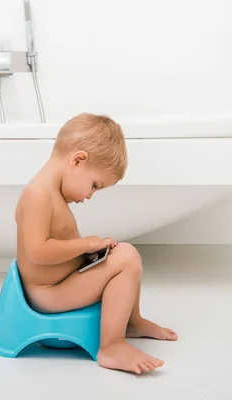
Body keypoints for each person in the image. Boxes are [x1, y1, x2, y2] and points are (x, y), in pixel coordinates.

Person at [15, 113, 177, 374]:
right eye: (94, 185)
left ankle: (131, 323)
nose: (90, 195)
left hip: (60, 283)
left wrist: (92, 252)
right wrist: (84, 246)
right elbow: (37, 251)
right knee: (125, 258)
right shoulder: (38, 195)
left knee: (125, 253)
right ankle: (111, 346)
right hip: (47, 294)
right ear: (78, 160)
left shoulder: (50, 194)